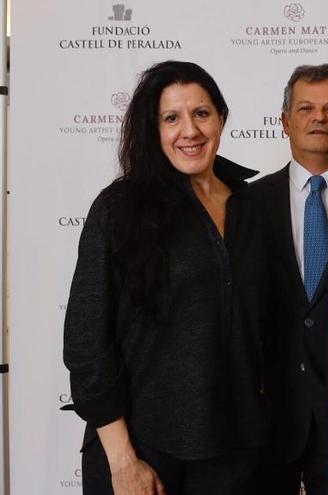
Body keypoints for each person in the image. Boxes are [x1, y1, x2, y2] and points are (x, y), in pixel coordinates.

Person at [63, 60, 266, 494]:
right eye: (171, 118)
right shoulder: (119, 209)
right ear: (152, 129)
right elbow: (86, 345)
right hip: (145, 455)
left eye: (202, 113)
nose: (189, 130)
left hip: (234, 456)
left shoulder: (252, 205)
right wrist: (123, 461)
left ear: (222, 118)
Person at [248, 64, 328, 495]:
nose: (319, 118)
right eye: (306, 108)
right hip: (263, 421)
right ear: (284, 122)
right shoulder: (243, 206)